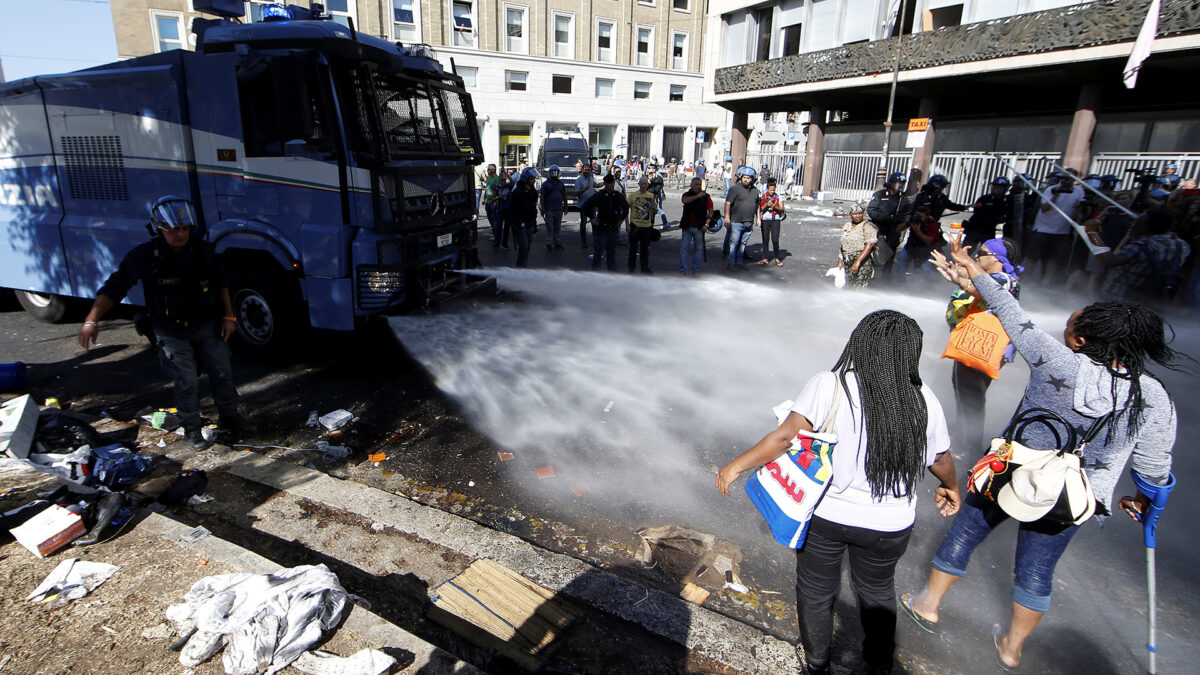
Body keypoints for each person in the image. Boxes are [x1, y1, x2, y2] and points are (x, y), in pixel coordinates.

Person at [905, 236, 1179, 671]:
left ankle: (927, 604)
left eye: (1072, 325)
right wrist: (1146, 500)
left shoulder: (1057, 359)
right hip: (1077, 492)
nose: (1064, 329)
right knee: (1037, 569)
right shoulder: (1153, 397)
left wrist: (974, 271)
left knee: (964, 535)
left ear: (1083, 339)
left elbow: (1010, 313)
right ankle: (1012, 648)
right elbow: (1154, 466)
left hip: (1009, 471)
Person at [716, 310, 960, 675]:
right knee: (877, 594)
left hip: (827, 516)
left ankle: (816, 663)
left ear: (859, 342)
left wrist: (735, 466)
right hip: (889, 524)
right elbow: (939, 458)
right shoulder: (924, 399)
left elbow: (785, 438)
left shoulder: (830, 385)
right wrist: (951, 486)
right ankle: (877, 666)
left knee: (816, 590)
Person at [78, 196, 256, 451]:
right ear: (159, 229)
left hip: (206, 324)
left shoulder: (202, 251)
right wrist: (91, 321)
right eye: (173, 229)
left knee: (222, 371)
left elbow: (222, 283)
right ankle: (192, 429)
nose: (180, 235)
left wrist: (229, 317)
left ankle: (230, 417)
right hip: (170, 329)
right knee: (186, 380)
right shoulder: (144, 256)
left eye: (184, 229)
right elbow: (115, 288)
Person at [929, 238, 1024, 453]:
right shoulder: (993, 277)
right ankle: (963, 437)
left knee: (971, 397)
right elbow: (974, 282)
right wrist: (951, 269)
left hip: (983, 346)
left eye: (983, 252)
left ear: (998, 258)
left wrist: (963, 269)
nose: (977, 256)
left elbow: (984, 290)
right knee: (964, 391)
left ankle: (969, 447)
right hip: (972, 344)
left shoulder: (1005, 280)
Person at [1093, 206, 1191, 304]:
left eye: (1137, 222)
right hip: (1150, 300)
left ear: (1148, 227)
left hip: (1118, 297)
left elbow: (1109, 260)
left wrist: (1092, 233)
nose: (1132, 224)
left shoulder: (1141, 246)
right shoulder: (1181, 245)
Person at [1027, 169, 1086, 282]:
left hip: (1062, 231)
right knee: (1033, 257)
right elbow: (1044, 208)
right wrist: (1056, 196)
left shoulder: (1079, 192)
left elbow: (1076, 215)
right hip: (1042, 228)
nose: (1063, 181)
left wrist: (1077, 208)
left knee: (1054, 259)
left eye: (1067, 178)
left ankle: (1046, 282)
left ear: (1074, 180)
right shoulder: (1051, 189)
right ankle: (1026, 280)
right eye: (1061, 178)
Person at [579, 174, 629, 272]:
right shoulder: (600, 195)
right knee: (598, 254)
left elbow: (626, 207)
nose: (612, 185)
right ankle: (595, 275)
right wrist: (592, 218)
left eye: (613, 183)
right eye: (610, 183)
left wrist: (621, 220)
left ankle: (612, 276)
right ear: (605, 184)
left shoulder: (617, 195)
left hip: (613, 228)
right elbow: (586, 206)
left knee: (611, 255)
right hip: (602, 228)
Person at [867, 172, 910, 270]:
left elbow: (906, 213)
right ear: (891, 183)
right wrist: (886, 218)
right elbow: (871, 211)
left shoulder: (902, 198)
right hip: (879, 229)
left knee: (889, 257)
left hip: (893, 231)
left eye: (902, 184)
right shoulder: (880, 194)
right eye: (898, 183)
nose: (900, 186)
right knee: (875, 255)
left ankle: (886, 278)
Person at [892, 205, 943, 283]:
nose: (918, 218)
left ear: (927, 217)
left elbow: (928, 241)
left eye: (921, 217)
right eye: (917, 215)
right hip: (912, 246)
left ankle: (930, 285)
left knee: (925, 268)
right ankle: (901, 282)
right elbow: (897, 230)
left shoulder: (933, 224)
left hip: (929, 249)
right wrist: (906, 222)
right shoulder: (913, 220)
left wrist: (917, 231)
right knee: (901, 259)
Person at [724, 166, 761, 271]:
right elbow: (728, 203)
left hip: (749, 222)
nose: (746, 179)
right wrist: (727, 218)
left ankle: (739, 262)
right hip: (736, 221)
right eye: (744, 177)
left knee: (743, 244)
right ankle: (731, 264)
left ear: (752, 179)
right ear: (741, 177)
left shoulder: (755, 191)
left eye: (749, 178)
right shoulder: (734, 189)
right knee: (734, 243)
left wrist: (758, 218)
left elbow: (757, 205)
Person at [963, 177, 1010, 249]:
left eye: (1000, 188)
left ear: (1005, 189)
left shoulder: (1006, 201)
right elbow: (977, 212)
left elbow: (1006, 215)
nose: (997, 189)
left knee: (988, 251)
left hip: (989, 231)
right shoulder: (984, 199)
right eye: (996, 187)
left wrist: (1001, 219)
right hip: (975, 229)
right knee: (966, 249)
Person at [837, 204, 878, 288]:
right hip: (848, 260)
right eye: (855, 214)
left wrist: (858, 262)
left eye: (860, 213)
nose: (858, 216)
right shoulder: (847, 225)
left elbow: (870, 244)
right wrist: (840, 261)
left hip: (863, 261)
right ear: (850, 214)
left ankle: (859, 300)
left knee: (859, 286)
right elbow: (843, 244)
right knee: (851, 284)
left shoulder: (867, 226)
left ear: (864, 214)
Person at [679, 177, 712, 275]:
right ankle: (683, 269)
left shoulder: (706, 197)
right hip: (687, 226)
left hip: (699, 227)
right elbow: (685, 201)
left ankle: (696, 269)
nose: (698, 186)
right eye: (696, 184)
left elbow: (711, 212)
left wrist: (706, 224)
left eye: (699, 184)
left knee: (699, 250)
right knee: (684, 249)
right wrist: (697, 196)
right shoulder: (686, 194)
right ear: (691, 185)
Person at [508, 167, 540, 267]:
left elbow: (533, 209)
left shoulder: (533, 192)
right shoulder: (517, 192)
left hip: (529, 222)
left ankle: (522, 265)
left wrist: (534, 224)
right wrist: (514, 225)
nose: (534, 180)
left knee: (528, 247)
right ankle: (521, 266)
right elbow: (512, 210)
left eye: (534, 178)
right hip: (520, 223)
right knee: (524, 246)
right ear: (526, 178)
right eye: (531, 178)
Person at [626, 178, 658, 274]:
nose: (644, 186)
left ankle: (644, 267)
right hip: (635, 225)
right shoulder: (633, 195)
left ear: (648, 185)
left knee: (645, 249)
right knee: (633, 248)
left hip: (647, 226)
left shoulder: (651, 196)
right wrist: (627, 224)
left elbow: (654, 211)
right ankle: (631, 268)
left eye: (645, 184)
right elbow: (625, 210)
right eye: (642, 184)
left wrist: (654, 208)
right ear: (639, 184)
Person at [757, 179, 786, 266]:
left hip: (775, 220)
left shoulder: (778, 197)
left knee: (775, 239)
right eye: (770, 190)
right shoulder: (763, 197)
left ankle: (777, 257)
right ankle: (765, 258)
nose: (772, 192)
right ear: (767, 189)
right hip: (765, 220)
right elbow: (760, 209)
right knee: (765, 240)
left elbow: (782, 209)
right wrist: (766, 205)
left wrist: (774, 206)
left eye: (773, 190)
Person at [539, 164, 567, 251]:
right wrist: (543, 208)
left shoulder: (561, 183)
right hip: (549, 209)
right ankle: (548, 243)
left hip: (559, 208)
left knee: (557, 227)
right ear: (550, 173)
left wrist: (566, 206)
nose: (554, 174)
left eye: (556, 172)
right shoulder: (546, 184)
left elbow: (564, 195)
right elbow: (542, 197)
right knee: (549, 227)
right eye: (553, 172)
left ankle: (557, 242)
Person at [575, 162, 599, 249]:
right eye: (585, 170)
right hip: (583, 206)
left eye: (588, 170)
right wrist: (584, 189)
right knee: (583, 224)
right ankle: (583, 241)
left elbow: (596, 185)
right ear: (582, 170)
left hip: (592, 206)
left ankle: (596, 240)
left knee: (594, 224)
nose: (587, 171)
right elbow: (576, 193)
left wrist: (606, 183)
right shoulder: (579, 180)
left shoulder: (591, 179)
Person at [481, 164, 502, 250]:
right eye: (488, 169)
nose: (488, 171)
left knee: (495, 219)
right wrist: (484, 198)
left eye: (490, 169)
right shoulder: (489, 178)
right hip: (488, 201)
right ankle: (494, 231)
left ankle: (496, 234)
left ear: (494, 170)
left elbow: (497, 190)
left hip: (493, 202)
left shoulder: (496, 179)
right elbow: (487, 188)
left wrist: (496, 200)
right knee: (490, 217)